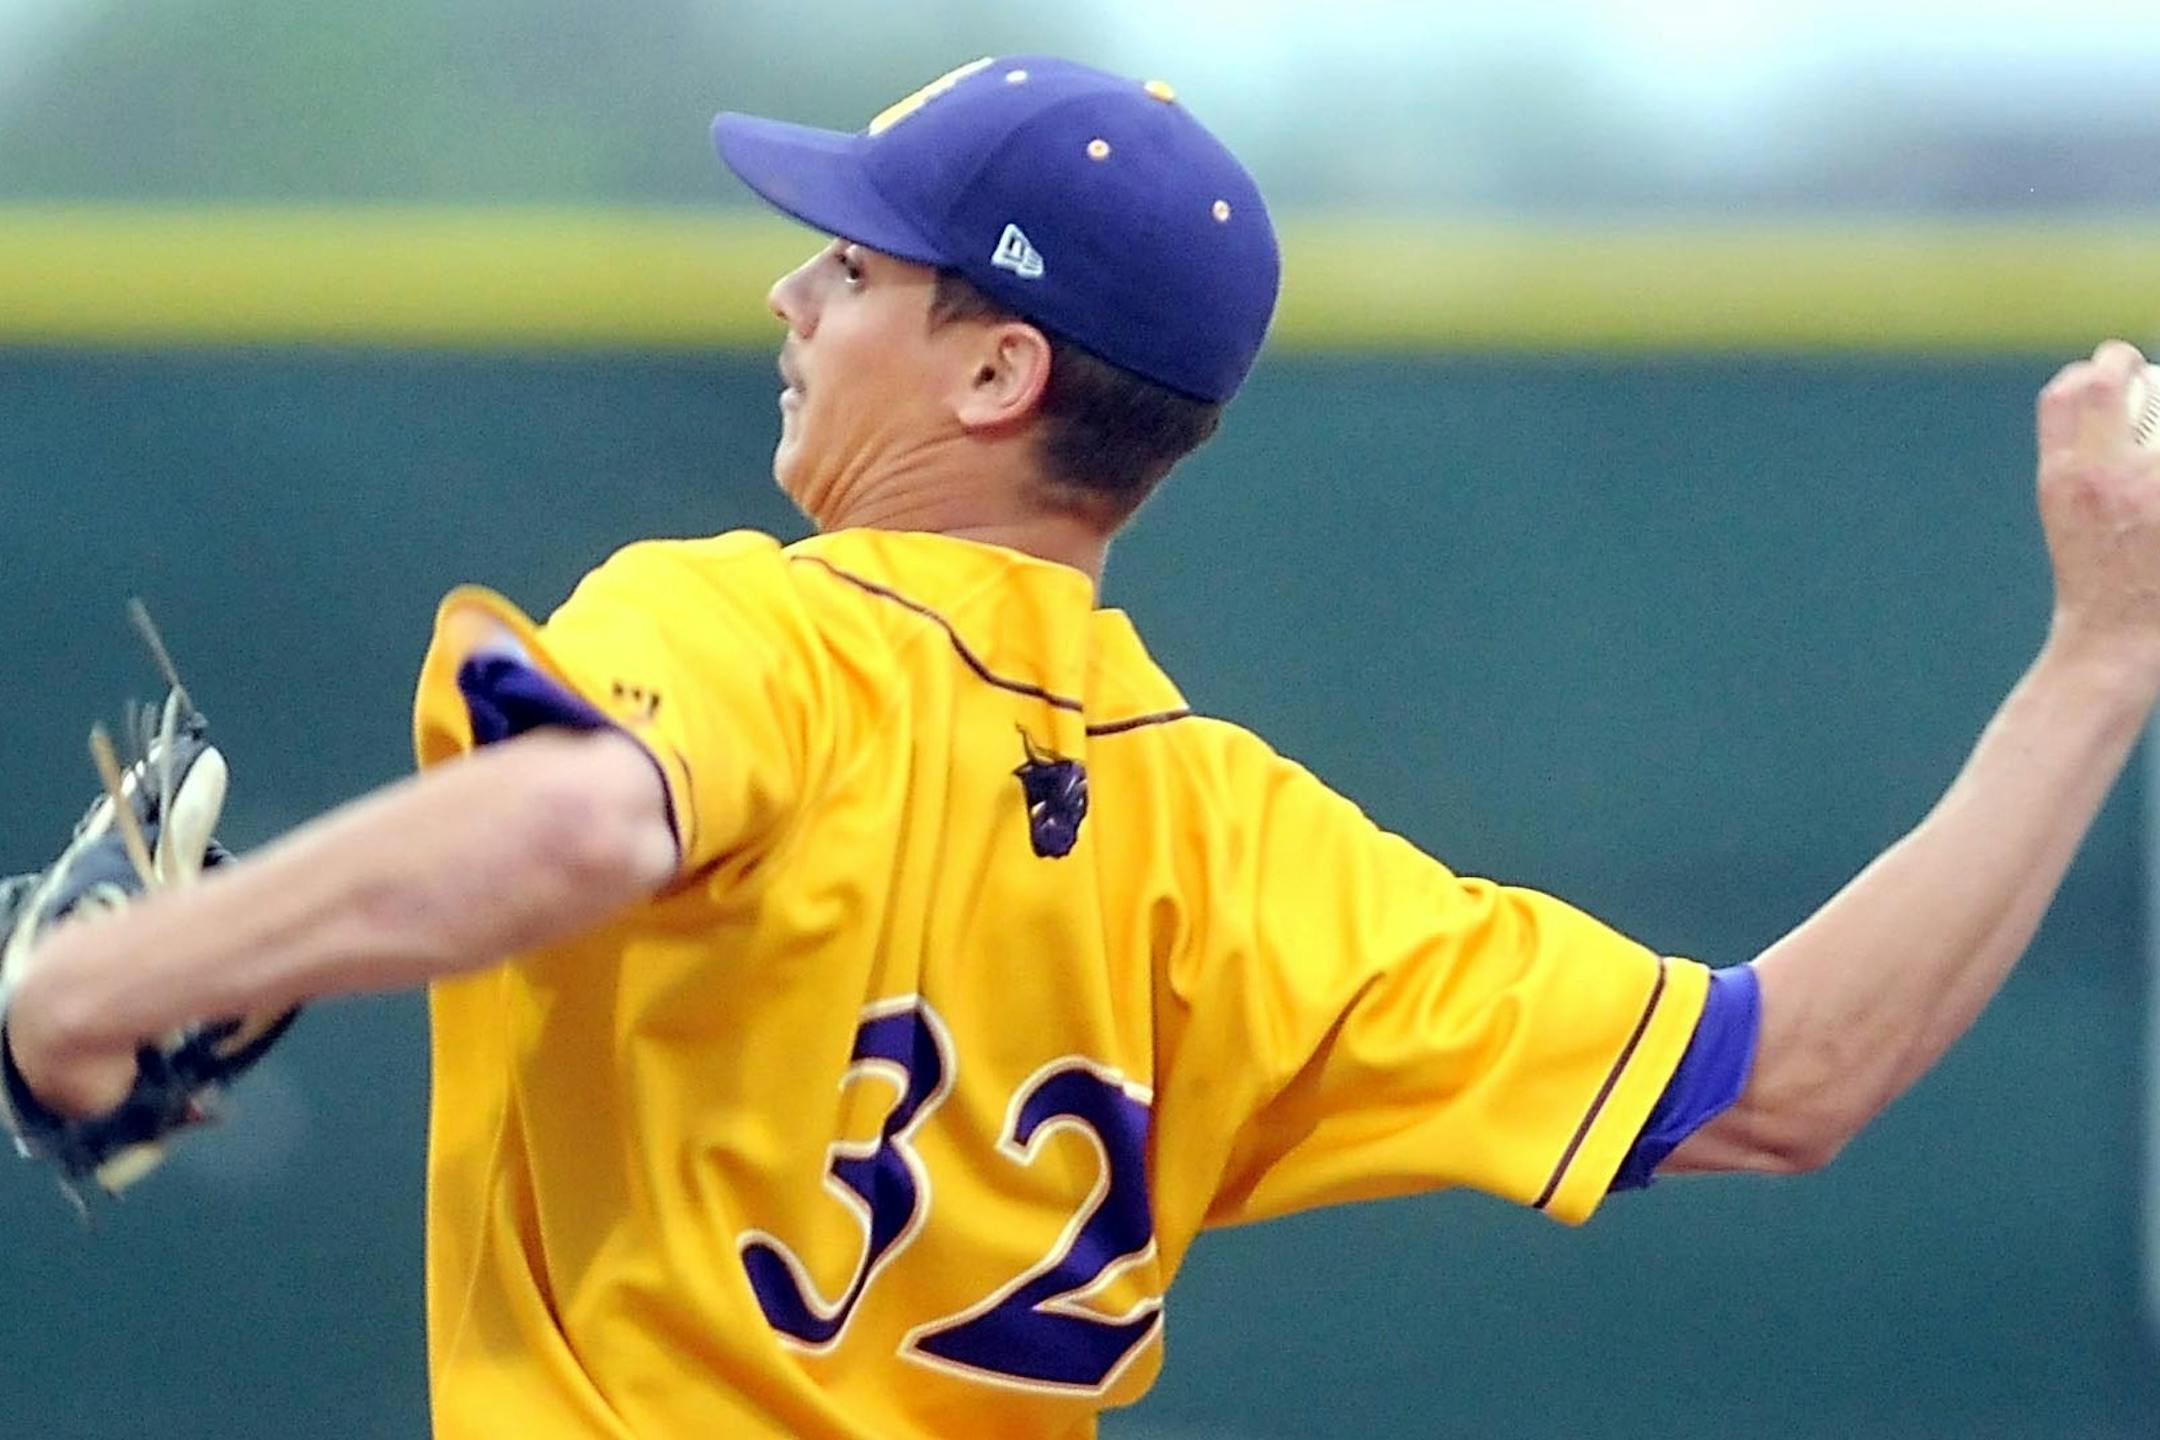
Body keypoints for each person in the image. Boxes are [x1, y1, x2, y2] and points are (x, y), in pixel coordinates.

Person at [3, 53, 2156, 1440]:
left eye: (849, 265)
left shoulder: (741, 625)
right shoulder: (1238, 850)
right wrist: (2094, 668)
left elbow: (573, 819)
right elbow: (1793, 1077)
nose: (791, 301)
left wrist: (94, 993)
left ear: (998, 368)